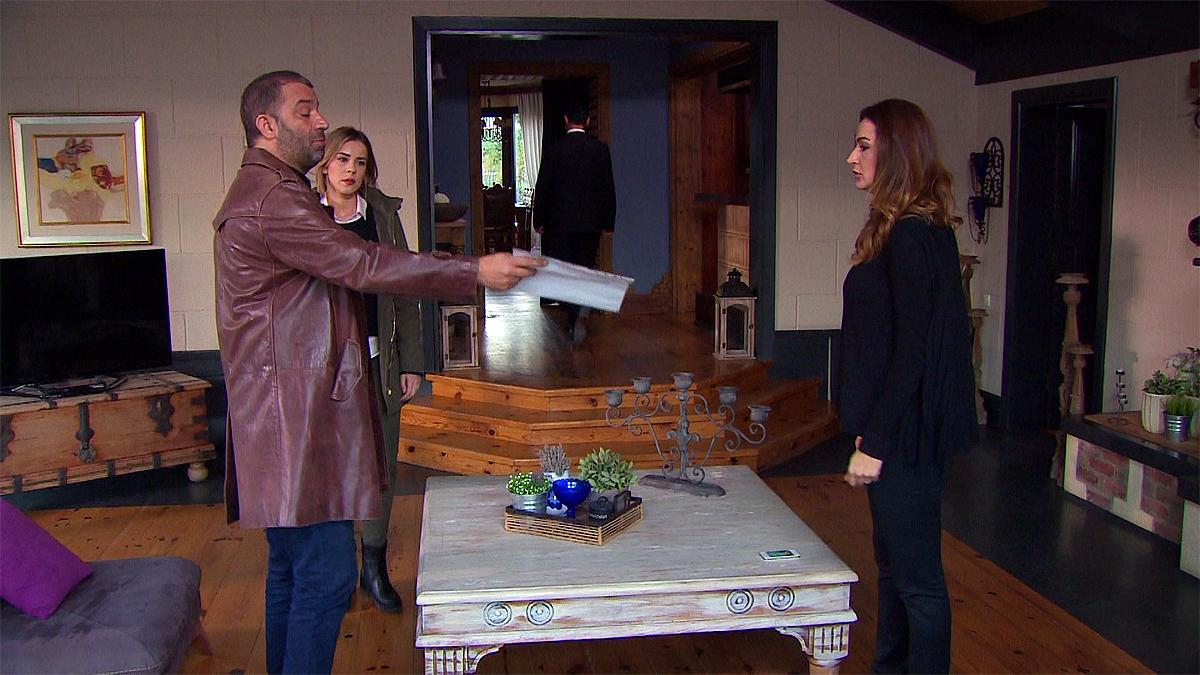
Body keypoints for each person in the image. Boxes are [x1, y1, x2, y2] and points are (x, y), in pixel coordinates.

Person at [212, 71, 541, 674]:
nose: (319, 122)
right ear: (266, 124)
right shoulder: (273, 199)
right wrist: (471, 271)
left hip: (279, 414)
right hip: (293, 421)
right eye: (305, 111)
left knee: (291, 569)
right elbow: (360, 263)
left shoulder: (268, 190)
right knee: (325, 575)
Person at [838, 98, 977, 674]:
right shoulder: (904, 229)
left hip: (905, 440)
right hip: (898, 433)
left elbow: (913, 355)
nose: (852, 158)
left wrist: (876, 443)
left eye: (864, 146)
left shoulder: (912, 237)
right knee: (894, 571)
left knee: (918, 584)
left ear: (895, 153)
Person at [314, 126, 417, 614]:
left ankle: (373, 566)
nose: (350, 170)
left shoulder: (382, 217)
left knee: (381, 466)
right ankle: (336, 571)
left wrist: (412, 362)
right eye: (342, 159)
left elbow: (406, 287)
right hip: (324, 369)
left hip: (379, 362)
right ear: (324, 165)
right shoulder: (305, 216)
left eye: (360, 162)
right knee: (332, 468)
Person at [532, 105, 616, 344]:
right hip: (590, 223)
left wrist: (539, 220)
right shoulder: (600, 149)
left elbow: (543, 187)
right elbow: (608, 188)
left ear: (566, 119)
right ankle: (581, 309)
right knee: (585, 267)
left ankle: (574, 315)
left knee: (565, 271)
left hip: (559, 224)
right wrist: (608, 222)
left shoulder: (554, 149)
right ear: (588, 121)